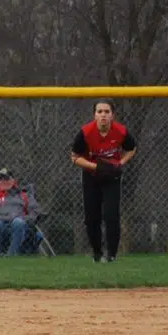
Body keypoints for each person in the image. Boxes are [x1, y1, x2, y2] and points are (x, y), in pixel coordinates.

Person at [70, 99, 137, 262]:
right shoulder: (85, 132)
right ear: (94, 115)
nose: (103, 115)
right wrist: (95, 167)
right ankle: (97, 253)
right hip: (91, 175)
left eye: (107, 112)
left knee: (111, 215)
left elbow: (132, 148)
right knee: (92, 216)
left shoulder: (120, 131)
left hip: (111, 176)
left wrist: (120, 163)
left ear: (112, 115)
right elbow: (74, 157)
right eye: (99, 112)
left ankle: (112, 254)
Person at [0, 166, 38, 256]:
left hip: (17, 225)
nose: (4, 181)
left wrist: (25, 219)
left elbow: (35, 212)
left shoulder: (23, 195)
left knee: (18, 222)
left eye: (7, 178)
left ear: (13, 180)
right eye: (1, 179)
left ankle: (12, 255)